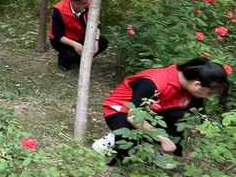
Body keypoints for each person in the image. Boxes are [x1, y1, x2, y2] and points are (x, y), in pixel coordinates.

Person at [93, 57, 228, 169]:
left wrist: (199, 128)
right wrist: (163, 138)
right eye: (209, 93)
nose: (208, 96)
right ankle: (112, 140)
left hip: (154, 111)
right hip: (122, 110)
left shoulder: (191, 89)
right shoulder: (152, 82)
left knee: (181, 117)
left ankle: (158, 149)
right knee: (130, 146)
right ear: (197, 84)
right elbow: (134, 116)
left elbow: (197, 114)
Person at [49, 0, 109, 71]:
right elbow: (58, 36)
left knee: (103, 42)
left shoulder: (91, 5)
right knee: (74, 54)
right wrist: (75, 45)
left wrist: (96, 41)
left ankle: (80, 58)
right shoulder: (59, 10)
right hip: (63, 40)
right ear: (70, 0)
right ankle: (63, 59)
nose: (82, 6)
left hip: (81, 36)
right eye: (79, 4)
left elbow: (97, 25)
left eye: (84, 3)